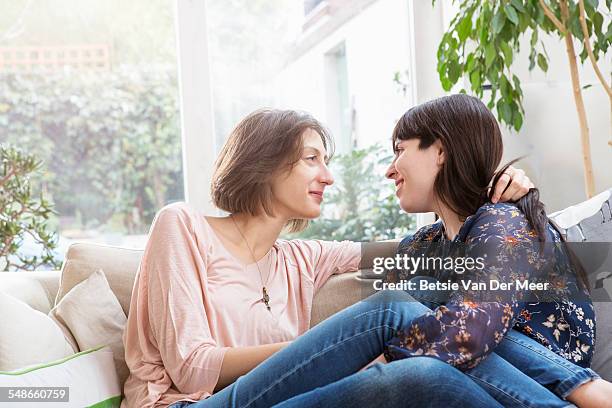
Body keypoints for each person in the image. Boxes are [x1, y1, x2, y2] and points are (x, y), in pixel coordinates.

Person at [121, 107, 605, 408]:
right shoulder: (180, 225)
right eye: (313, 159)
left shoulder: (303, 259)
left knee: (420, 359)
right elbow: (192, 368)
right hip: (187, 404)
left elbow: (440, 257)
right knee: (392, 311)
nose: (329, 177)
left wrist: (510, 196)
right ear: (263, 162)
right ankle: (581, 390)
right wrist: (329, 353)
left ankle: (572, 390)